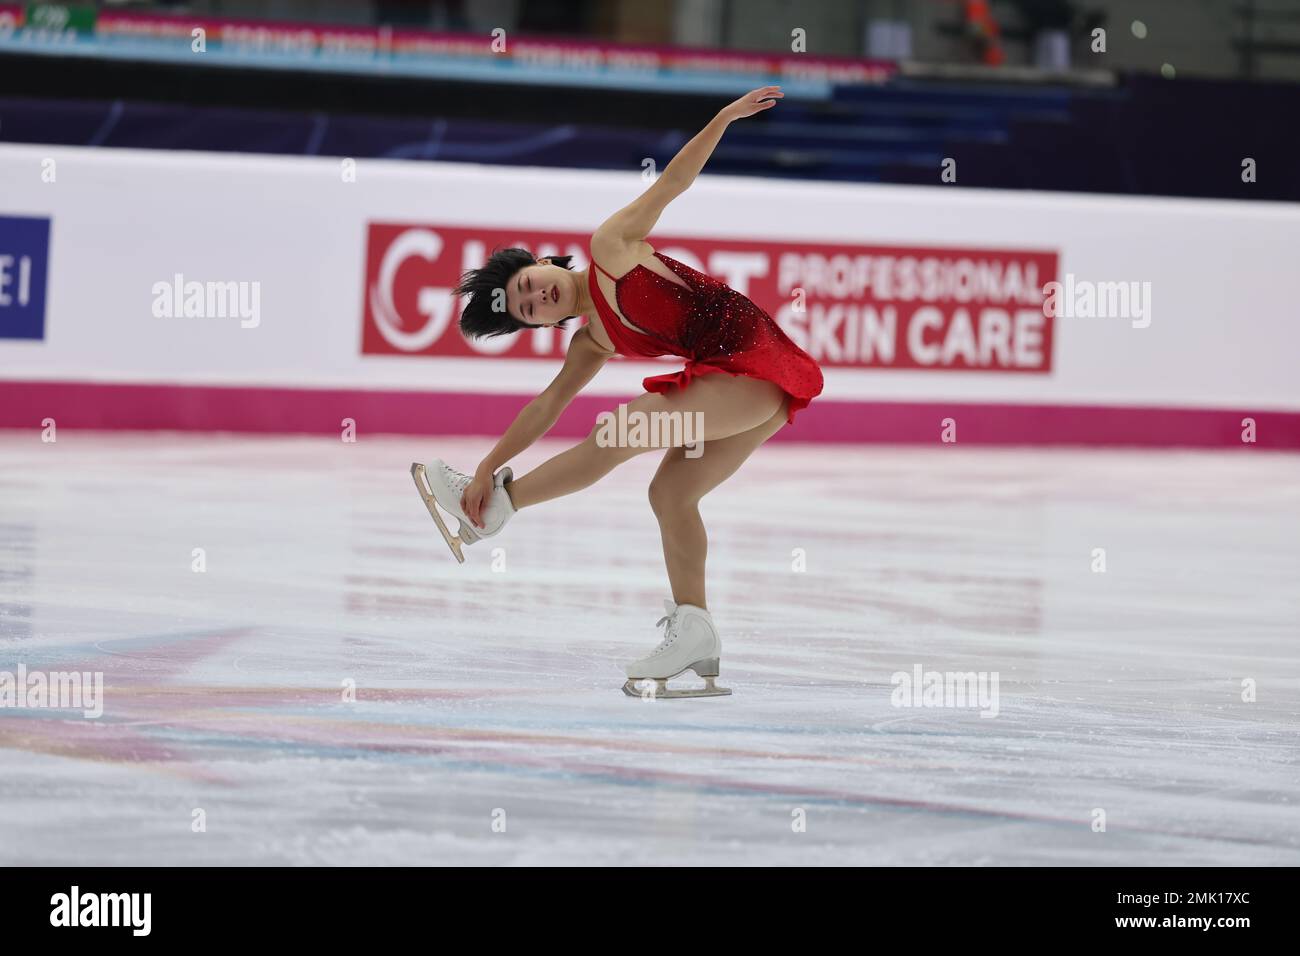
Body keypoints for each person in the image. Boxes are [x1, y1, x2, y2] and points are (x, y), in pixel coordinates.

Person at [411, 86, 823, 698]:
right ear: (542, 326)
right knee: (671, 494)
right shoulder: (592, 342)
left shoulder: (610, 247)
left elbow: (674, 183)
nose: (536, 297)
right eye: (527, 309)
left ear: (545, 263)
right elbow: (546, 406)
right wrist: (487, 466)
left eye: (530, 283)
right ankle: (696, 631)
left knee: (624, 431)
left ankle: (502, 509)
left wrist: (724, 117)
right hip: (743, 389)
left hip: (754, 365)